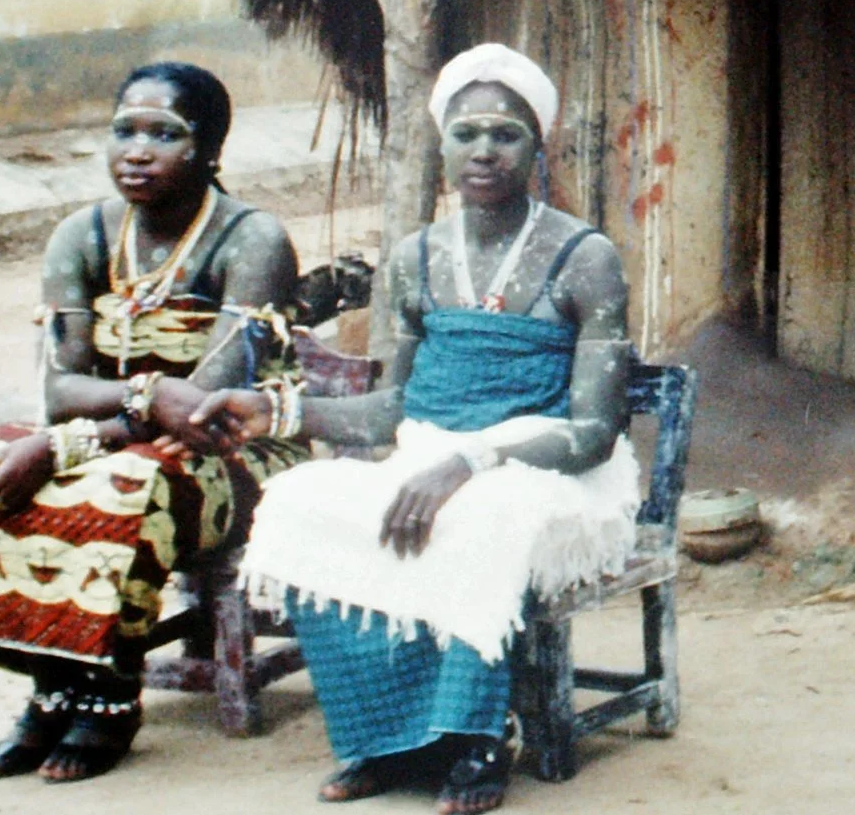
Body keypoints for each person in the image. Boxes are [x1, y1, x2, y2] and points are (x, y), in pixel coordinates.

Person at [197, 44, 634, 815]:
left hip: (547, 465)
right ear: (443, 144)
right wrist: (279, 412)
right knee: (302, 499)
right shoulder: (413, 258)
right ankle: (383, 738)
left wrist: (469, 459)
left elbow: (594, 430)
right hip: (431, 453)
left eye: (507, 133)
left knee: (481, 514)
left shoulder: (583, 256)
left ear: (539, 146)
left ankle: (474, 739)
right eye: (466, 133)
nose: (485, 150)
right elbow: (390, 408)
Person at [0, 61, 306, 783]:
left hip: (244, 451)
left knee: (124, 485)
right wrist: (132, 404)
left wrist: (70, 439)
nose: (137, 150)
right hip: (129, 434)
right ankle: (52, 688)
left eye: (165, 133)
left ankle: (110, 699)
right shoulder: (82, 235)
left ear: (210, 147)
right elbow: (60, 389)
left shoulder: (253, 239)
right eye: (124, 129)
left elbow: (208, 408)